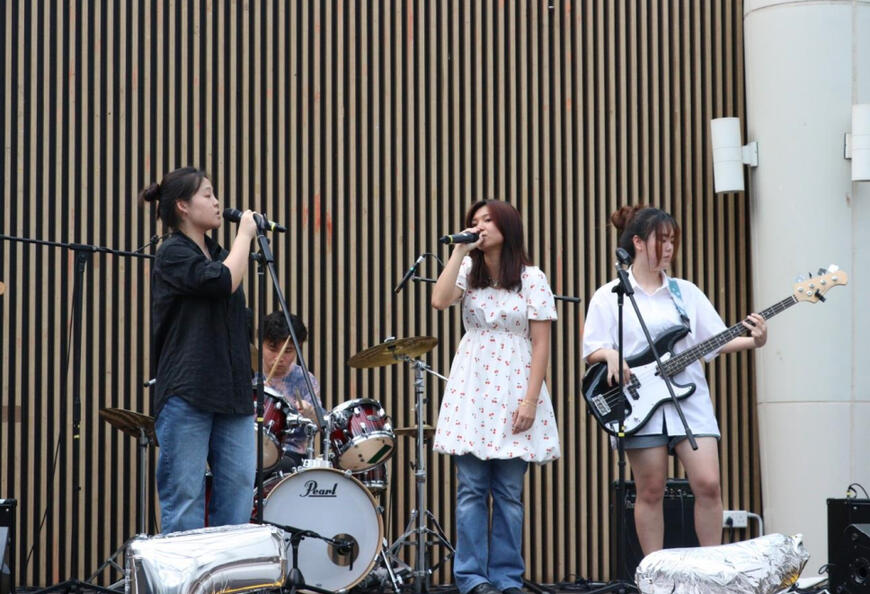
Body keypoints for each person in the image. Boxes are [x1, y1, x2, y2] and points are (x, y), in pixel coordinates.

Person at [582, 205, 768, 555]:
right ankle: (656, 571)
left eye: (672, 240)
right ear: (638, 242)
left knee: (708, 484)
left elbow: (715, 340)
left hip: (689, 399)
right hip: (638, 402)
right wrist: (610, 355)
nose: (668, 248)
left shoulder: (686, 293)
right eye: (661, 240)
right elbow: (592, 348)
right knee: (650, 490)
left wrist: (754, 341)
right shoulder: (611, 294)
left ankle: (711, 567)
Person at [431, 200, 561, 594]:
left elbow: (541, 344)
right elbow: (439, 300)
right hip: (473, 386)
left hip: (514, 386)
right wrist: (459, 250)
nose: (479, 227)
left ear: (508, 226)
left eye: (487, 220)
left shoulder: (531, 278)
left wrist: (530, 400)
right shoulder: (467, 271)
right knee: (471, 489)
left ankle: (506, 579)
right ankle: (472, 579)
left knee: (508, 492)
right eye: (474, 222)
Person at [142, 167, 258, 533]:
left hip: (233, 395)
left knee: (238, 495)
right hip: (188, 392)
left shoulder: (221, 253)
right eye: (207, 195)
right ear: (183, 206)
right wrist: (245, 234)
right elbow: (222, 281)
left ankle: (228, 571)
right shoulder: (173, 253)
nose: (217, 202)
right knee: (185, 502)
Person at [257, 310, 324, 472]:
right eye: (272, 348)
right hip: (250, 448)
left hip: (292, 455)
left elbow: (322, 424)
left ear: (297, 349)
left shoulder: (304, 379)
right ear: (261, 344)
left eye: (287, 351)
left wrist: (311, 413)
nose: (279, 358)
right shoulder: (249, 375)